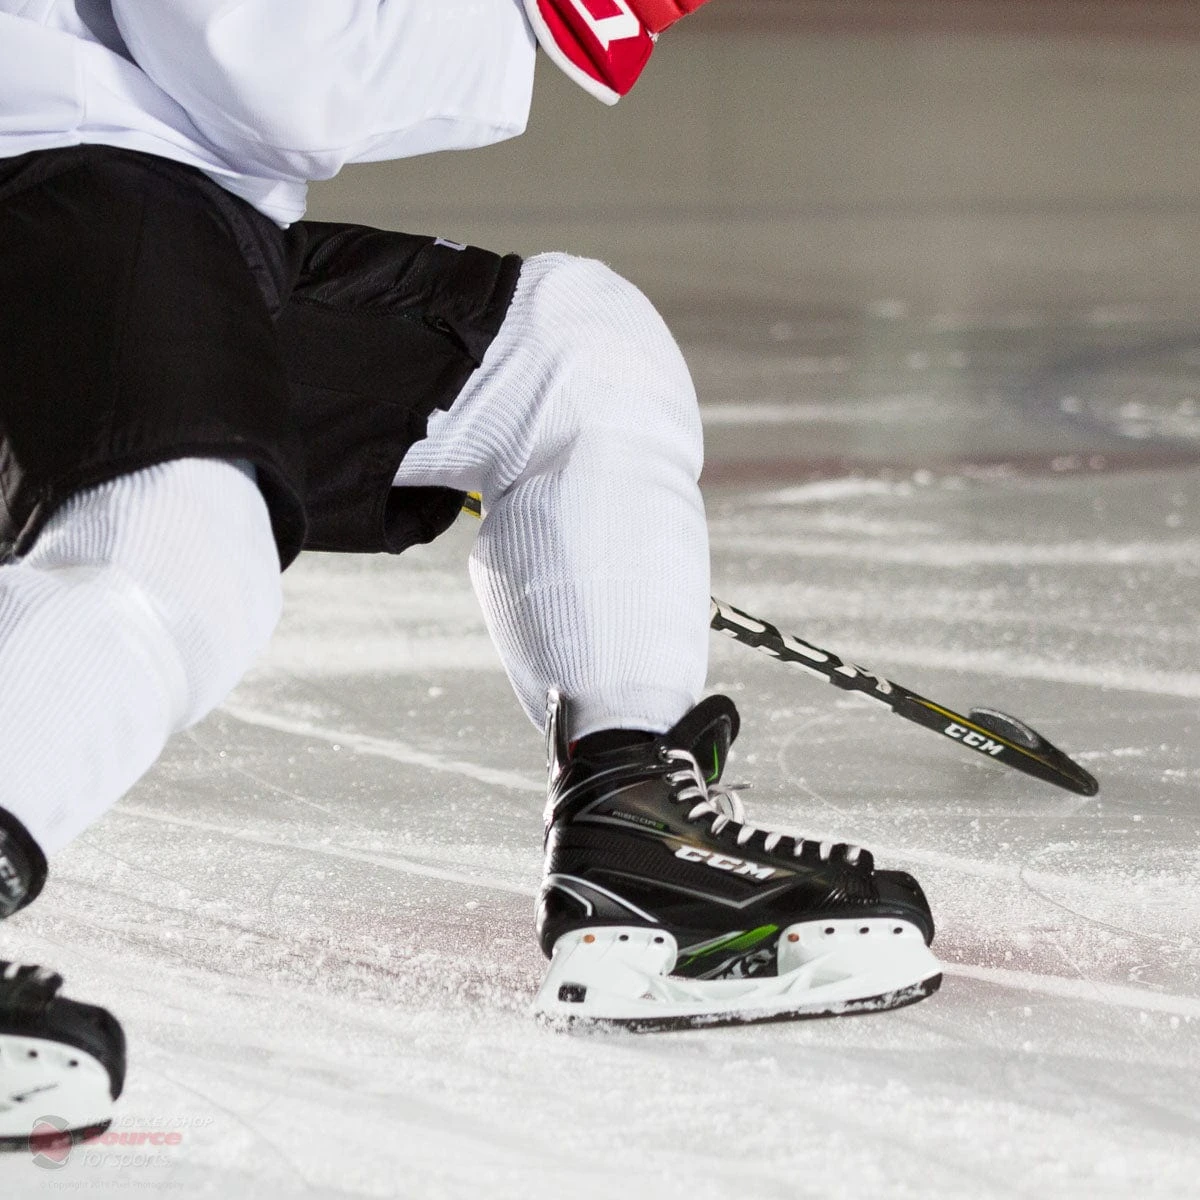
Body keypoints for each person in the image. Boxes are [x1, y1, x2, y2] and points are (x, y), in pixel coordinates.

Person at [0, 0, 939, 1148]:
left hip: (139, 200)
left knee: (569, 351)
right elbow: (268, 64)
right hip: (59, 182)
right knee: (177, 540)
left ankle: (641, 842)